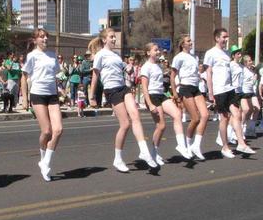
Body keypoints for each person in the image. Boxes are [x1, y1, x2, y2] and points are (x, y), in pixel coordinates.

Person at [89, 28, 158, 171]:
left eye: (114, 37)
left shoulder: (115, 55)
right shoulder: (100, 55)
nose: (114, 39)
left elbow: (125, 67)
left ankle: (144, 151)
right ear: (104, 40)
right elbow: (95, 76)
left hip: (123, 87)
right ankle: (118, 158)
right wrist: (92, 96)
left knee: (136, 115)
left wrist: (129, 67)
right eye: (111, 37)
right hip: (111, 90)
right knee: (125, 124)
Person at [203, 29, 256, 158]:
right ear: (217, 38)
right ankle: (225, 147)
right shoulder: (210, 53)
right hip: (219, 90)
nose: (226, 39)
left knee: (237, 114)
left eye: (227, 37)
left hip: (229, 89)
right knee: (224, 118)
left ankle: (241, 143)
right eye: (224, 37)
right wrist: (210, 93)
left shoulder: (227, 54)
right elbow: (208, 73)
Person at [20, 28, 63, 181]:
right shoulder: (32, 56)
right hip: (37, 94)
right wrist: (24, 97)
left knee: (58, 130)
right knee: (46, 131)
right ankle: (43, 156)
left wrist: (61, 92)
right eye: (41, 37)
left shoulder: (52, 56)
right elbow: (24, 77)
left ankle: (46, 163)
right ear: (35, 40)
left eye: (46, 37)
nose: (45, 39)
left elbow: (55, 75)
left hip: (52, 95)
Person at [140, 42, 190, 165]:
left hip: (161, 95)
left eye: (158, 50)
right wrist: (150, 104)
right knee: (161, 126)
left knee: (177, 114)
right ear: (148, 53)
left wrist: (170, 95)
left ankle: (181, 145)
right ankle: (153, 152)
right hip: (152, 97)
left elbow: (161, 84)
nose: (158, 52)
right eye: (155, 50)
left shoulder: (158, 66)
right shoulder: (146, 67)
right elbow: (144, 88)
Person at [170, 35, 207, 160]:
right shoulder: (179, 57)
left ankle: (196, 145)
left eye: (191, 40)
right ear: (182, 44)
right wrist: (174, 92)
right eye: (188, 41)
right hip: (185, 88)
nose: (191, 42)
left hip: (196, 88)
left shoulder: (195, 57)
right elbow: (172, 75)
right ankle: (187, 143)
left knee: (205, 115)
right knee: (195, 118)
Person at [240, 55, 258, 137]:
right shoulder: (243, 70)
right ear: (245, 62)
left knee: (257, 107)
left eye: (251, 60)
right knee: (246, 110)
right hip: (244, 91)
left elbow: (253, 82)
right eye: (249, 61)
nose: (251, 62)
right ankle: (241, 127)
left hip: (251, 91)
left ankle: (251, 128)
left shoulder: (252, 71)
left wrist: (255, 76)